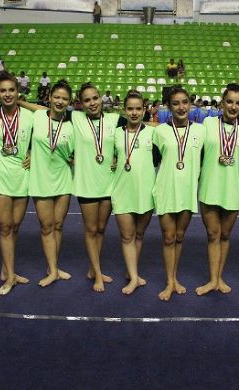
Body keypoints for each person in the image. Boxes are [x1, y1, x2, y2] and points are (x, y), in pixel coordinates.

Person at [196, 83, 239, 295]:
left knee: (225, 235)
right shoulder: (208, 123)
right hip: (210, 187)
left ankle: (219, 278)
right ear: (222, 103)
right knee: (213, 234)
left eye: (238, 103)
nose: (233, 106)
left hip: (232, 188)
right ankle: (212, 280)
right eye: (229, 101)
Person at [0, 74, 34, 295]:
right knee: (4, 228)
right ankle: (11, 277)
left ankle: (6, 270)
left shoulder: (30, 116)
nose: (7, 94)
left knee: (15, 227)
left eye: (11, 90)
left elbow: (46, 111)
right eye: (3, 91)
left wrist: (32, 152)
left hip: (22, 177)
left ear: (17, 92)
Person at [152, 85, 205, 301]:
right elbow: (152, 161)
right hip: (166, 189)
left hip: (188, 191)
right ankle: (169, 281)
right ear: (168, 107)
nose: (181, 107)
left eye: (185, 102)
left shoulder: (202, 130)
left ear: (190, 104)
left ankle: (175, 278)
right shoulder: (160, 131)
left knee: (180, 237)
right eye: (176, 103)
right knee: (168, 237)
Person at [72, 82, 126, 292]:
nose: (92, 103)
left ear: (101, 98)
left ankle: (93, 269)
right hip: (87, 183)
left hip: (109, 183)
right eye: (87, 100)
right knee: (91, 229)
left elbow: (136, 128)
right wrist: (22, 101)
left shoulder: (114, 119)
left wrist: (117, 156)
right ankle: (97, 274)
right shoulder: (75, 118)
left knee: (101, 229)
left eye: (95, 98)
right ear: (81, 103)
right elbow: (44, 112)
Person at [27, 80, 75, 287]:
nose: (60, 101)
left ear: (70, 102)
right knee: (46, 227)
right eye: (57, 97)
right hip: (41, 178)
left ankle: (52, 268)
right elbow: (16, 112)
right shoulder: (37, 116)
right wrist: (26, 151)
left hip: (63, 178)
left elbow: (76, 154)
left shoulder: (72, 126)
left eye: (65, 98)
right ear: (49, 99)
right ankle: (53, 270)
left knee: (58, 225)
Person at [112, 90, 156, 295]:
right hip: (122, 191)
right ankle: (134, 277)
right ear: (124, 110)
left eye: (138, 108)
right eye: (130, 108)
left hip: (146, 192)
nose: (134, 112)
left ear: (144, 110)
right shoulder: (115, 133)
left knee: (139, 235)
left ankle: (133, 274)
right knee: (127, 236)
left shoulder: (153, 133)